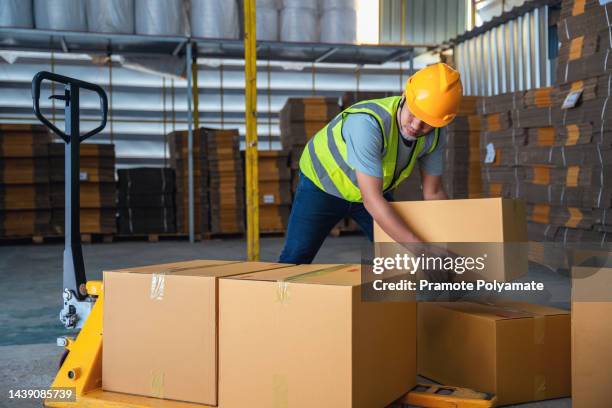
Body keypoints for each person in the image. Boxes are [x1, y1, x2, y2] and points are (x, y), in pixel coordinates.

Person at [279, 62, 463, 264]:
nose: (417, 126)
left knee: (402, 255)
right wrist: (422, 250)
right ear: (405, 95)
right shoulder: (367, 123)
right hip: (322, 185)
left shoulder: (435, 134)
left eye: (428, 122)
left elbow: (433, 193)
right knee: (296, 257)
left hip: (372, 191)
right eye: (414, 113)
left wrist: (454, 242)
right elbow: (372, 201)